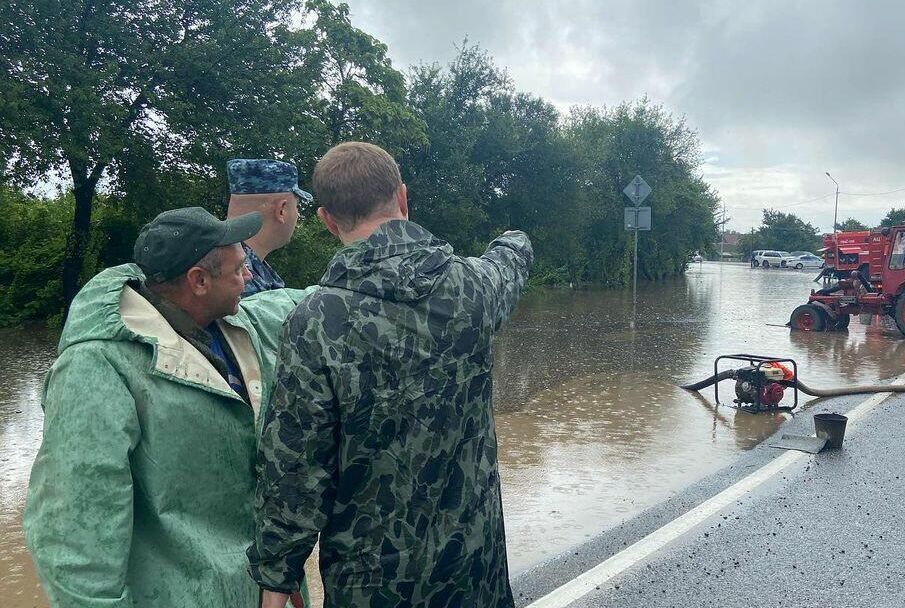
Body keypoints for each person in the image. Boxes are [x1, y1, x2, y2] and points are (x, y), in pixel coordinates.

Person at [247, 142, 533, 608]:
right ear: (403, 198)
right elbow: (512, 260)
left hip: (370, 586)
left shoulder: (314, 320)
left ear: (326, 219)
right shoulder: (472, 290)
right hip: (474, 574)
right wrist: (513, 235)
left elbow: (295, 471)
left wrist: (276, 581)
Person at [24, 208, 307, 608]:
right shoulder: (97, 367)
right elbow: (75, 535)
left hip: (259, 590)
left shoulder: (235, 326)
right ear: (199, 280)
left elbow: (298, 303)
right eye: (240, 269)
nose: (249, 278)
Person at [227, 158, 313, 296]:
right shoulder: (239, 279)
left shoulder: (216, 261)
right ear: (281, 210)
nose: (297, 214)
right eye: (297, 206)